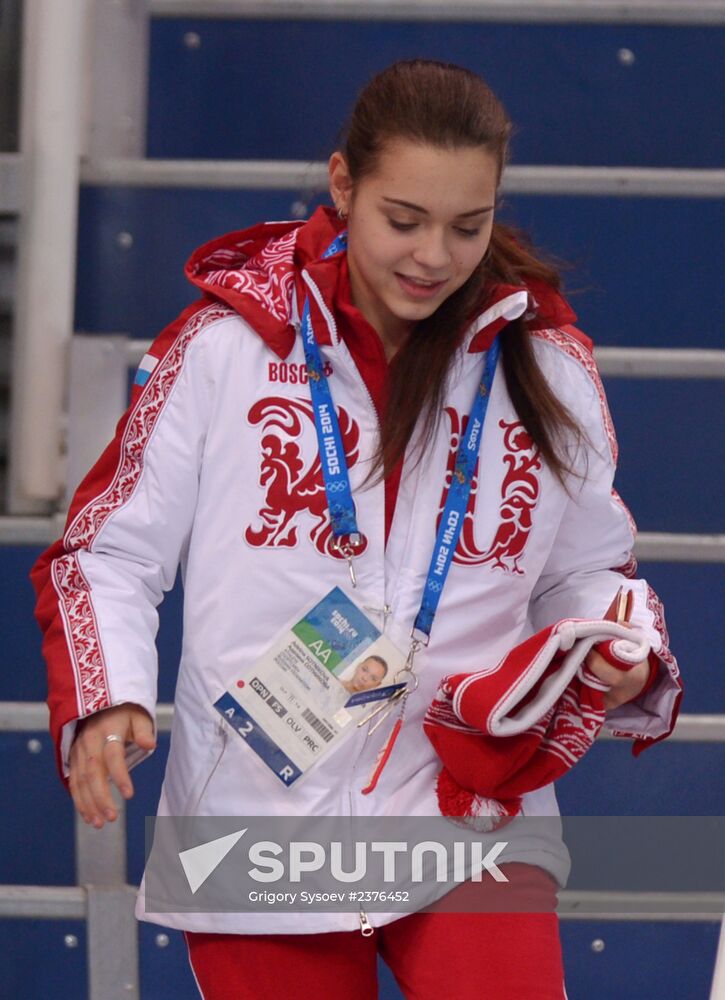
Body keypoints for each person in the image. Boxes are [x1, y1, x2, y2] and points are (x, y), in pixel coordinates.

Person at [32, 59, 681, 999]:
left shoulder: (547, 365)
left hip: (466, 804)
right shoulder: (222, 348)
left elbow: (588, 569)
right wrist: (106, 697)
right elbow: (107, 551)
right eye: (403, 220)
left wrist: (613, 645)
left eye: (469, 226)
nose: (433, 256)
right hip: (253, 809)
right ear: (343, 186)